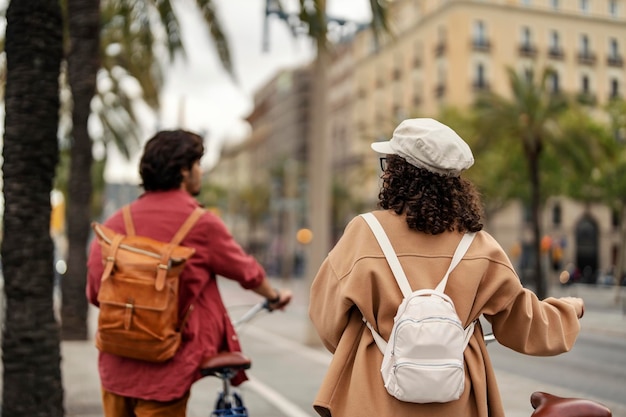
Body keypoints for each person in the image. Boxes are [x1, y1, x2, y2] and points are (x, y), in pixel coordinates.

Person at [308, 118, 584, 417]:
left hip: (372, 397)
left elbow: (325, 318)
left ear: (397, 174)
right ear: (455, 184)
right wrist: (570, 309)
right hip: (458, 400)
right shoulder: (480, 247)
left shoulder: (364, 234)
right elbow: (526, 326)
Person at [87, 129, 292, 417]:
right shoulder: (201, 223)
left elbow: (96, 292)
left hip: (116, 364)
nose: (201, 171)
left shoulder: (115, 224)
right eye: (198, 164)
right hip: (165, 368)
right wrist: (275, 295)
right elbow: (247, 272)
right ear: (184, 171)